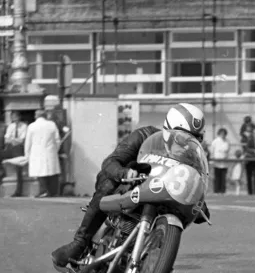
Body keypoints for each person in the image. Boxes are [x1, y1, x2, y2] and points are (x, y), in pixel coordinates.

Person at [51, 103, 211, 269]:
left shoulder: (191, 156)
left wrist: (198, 198)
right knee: (108, 181)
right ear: (169, 128)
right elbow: (111, 162)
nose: (186, 143)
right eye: (182, 136)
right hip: (131, 188)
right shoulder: (144, 135)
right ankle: (80, 243)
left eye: (195, 138)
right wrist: (124, 173)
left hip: (165, 196)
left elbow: (188, 179)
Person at [25, 110, 61, 198]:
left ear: (36, 116)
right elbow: (57, 140)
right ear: (45, 116)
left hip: (37, 151)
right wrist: (55, 149)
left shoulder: (32, 126)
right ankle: (53, 192)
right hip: (50, 150)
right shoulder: (52, 124)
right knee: (52, 172)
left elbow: (28, 142)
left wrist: (27, 154)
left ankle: (43, 191)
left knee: (40, 172)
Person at [1, 111, 27, 197]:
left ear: (19, 117)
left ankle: (18, 191)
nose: (14, 119)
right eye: (13, 117)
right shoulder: (11, 126)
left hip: (19, 149)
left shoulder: (24, 126)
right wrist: (15, 140)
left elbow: (22, 140)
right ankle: (2, 172)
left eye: (16, 117)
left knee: (18, 167)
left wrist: (12, 140)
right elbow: (6, 140)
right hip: (10, 148)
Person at [211, 128, 231, 194]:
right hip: (217, 162)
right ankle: (216, 191)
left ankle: (223, 191)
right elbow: (212, 151)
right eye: (221, 133)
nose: (223, 135)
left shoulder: (227, 141)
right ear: (219, 134)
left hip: (224, 162)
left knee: (223, 178)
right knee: (217, 177)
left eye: (224, 133)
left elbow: (227, 151)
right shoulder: (215, 141)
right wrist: (212, 160)